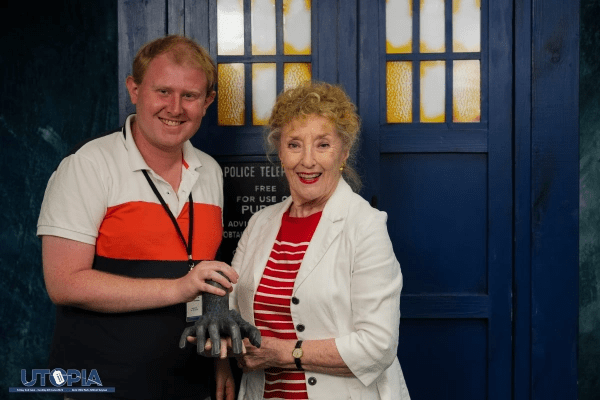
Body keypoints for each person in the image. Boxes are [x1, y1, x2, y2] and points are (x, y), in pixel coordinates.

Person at [37, 35, 237, 400]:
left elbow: (206, 277)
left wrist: (219, 359)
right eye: (163, 91)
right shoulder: (88, 165)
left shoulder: (210, 170)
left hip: (191, 385)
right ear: (134, 90)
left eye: (190, 96)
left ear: (207, 101)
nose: (175, 108)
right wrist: (179, 288)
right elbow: (63, 283)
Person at [229, 81, 411, 399]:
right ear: (280, 152)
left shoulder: (365, 226)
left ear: (344, 152)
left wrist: (285, 353)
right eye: (294, 144)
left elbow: (378, 346)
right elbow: (230, 311)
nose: (308, 161)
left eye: (323, 144)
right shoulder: (259, 224)